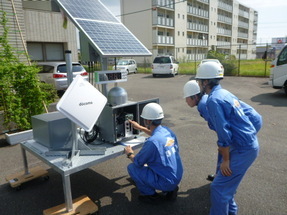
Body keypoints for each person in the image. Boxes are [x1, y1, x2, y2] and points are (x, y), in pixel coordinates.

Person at [195, 61, 262, 215]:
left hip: (243, 149)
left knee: (218, 188)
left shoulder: (213, 100)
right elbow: (255, 117)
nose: (199, 84)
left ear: (206, 82)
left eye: (200, 81)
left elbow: (223, 134)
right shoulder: (225, 93)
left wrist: (226, 160)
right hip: (246, 146)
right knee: (226, 187)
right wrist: (248, 135)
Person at [124, 103, 183, 203]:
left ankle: (150, 196)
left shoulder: (152, 143)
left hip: (166, 181)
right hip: (177, 176)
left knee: (132, 168)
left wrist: (129, 153)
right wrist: (141, 128)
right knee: (153, 162)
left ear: (148, 121)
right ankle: (171, 189)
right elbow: (155, 134)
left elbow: (138, 162)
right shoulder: (167, 131)